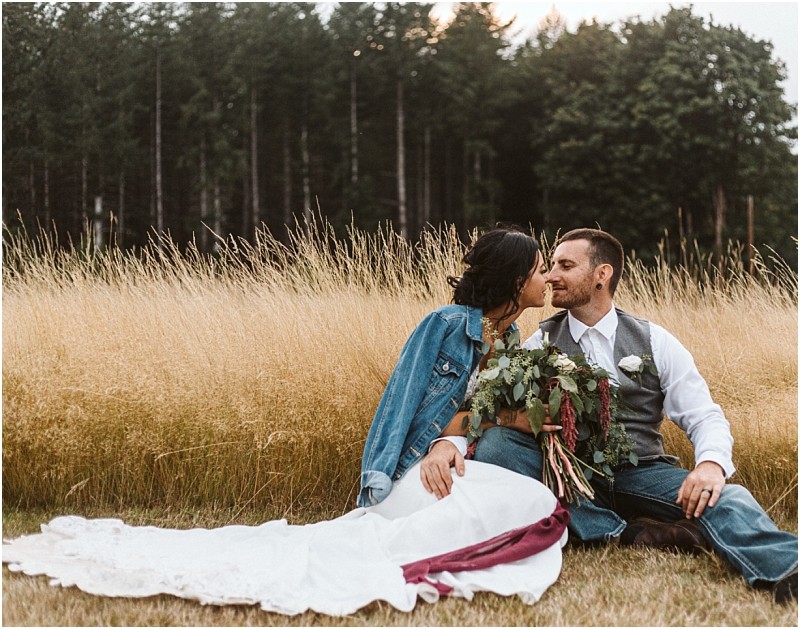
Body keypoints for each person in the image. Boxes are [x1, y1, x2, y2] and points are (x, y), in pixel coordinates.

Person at [4, 227, 569, 615]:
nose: (546, 277)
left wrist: (468, 437)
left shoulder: (511, 339)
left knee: (522, 499)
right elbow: (399, 406)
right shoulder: (444, 325)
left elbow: (474, 417)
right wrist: (387, 476)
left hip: (454, 457)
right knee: (490, 508)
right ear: (514, 278)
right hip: (413, 466)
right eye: (540, 268)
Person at [428, 227, 797, 604]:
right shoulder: (537, 344)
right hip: (571, 478)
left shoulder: (655, 341)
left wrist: (710, 465)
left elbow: (703, 415)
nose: (551, 275)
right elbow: (487, 409)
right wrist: (445, 443)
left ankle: (787, 568)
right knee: (498, 444)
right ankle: (623, 531)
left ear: (601, 275)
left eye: (565, 265)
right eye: (550, 266)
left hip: (644, 471)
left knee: (726, 496)